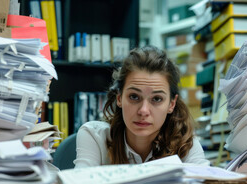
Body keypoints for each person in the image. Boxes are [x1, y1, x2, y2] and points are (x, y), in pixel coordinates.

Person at [74, 46, 209, 167]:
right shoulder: (94, 137)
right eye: (134, 97)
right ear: (119, 98)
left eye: (156, 99)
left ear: (171, 104)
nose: (143, 111)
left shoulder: (185, 144)